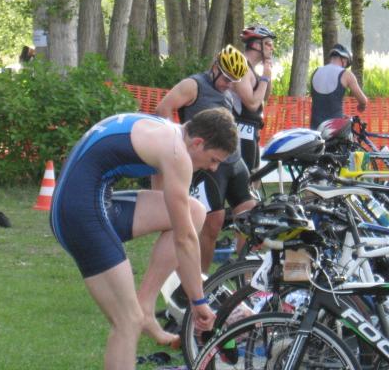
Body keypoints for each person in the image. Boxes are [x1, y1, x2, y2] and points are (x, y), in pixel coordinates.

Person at [51, 108, 238, 369]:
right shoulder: (177, 154)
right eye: (214, 159)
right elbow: (185, 238)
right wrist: (198, 301)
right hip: (79, 213)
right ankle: (139, 314)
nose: (213, 168)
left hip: (85, 201)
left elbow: (171, 210)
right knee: (128, 321)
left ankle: (146, 305)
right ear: (198, 143)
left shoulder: (170, 132)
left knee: (194, 211)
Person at [156, 45, 257, 272]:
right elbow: (163, 109)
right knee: (213, 223)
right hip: (209, 166)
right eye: (227, 79)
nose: (229, 85)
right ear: (215, 67)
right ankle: (201, 280)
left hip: (234, 162)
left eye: (234, 82)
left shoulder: (227, 92)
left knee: (248, 217)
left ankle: (243, 276)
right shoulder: (194, 85)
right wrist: (179, 145)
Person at [231, 25, 276, 171]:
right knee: (246, 179)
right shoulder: (242, 67)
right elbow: (252, 104)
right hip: (239, 130)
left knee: (254, 177)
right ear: (256, 45)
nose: (272, 48)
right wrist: (264, 78)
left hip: (251, 129)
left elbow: (264, 97)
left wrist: (267, 73)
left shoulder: (252, 69)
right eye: (268, 44)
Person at [310, 43, 368, 129]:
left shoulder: (315, 72)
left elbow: (323, 103)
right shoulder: (346, 74)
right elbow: (363, 101)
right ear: (344, 60)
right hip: (335, 130)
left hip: (315, 129)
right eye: (346, 64)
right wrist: (361, 107)